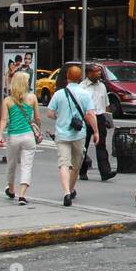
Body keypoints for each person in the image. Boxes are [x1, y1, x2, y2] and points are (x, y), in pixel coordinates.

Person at [48, 65, 98, 206]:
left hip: (62, 134)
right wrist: (96, 131)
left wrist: (59, 116)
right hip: (79, 134)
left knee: (63, 164)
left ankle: (66, 193)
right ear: (80, 78)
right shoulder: (85, 94)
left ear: (67, 78)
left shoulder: (59, 94)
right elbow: (90, 115)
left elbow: (50, 113)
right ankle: (71, 189)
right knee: (76, 165)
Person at [0, 71, 41, 205]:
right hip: (28, 136)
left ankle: (11, 190)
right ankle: (22, 195)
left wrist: (0, 135)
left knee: (11, 164)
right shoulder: (32, 98)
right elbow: (37, 118)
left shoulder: (8, 100)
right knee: (27, 166)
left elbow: (4, 120)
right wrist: (38, 130)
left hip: (13, 136)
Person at [78, 63, 115, 181]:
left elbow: (106, 103)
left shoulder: (102, 86)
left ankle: (105, 172)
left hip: (99, 117)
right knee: (83, 146)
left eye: (100, 71)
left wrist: (108, 118)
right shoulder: (82, 87)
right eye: (96, 71)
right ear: (89, 73)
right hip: (86, 117)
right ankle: (82, 171)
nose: (99, 73)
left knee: (102, 145)